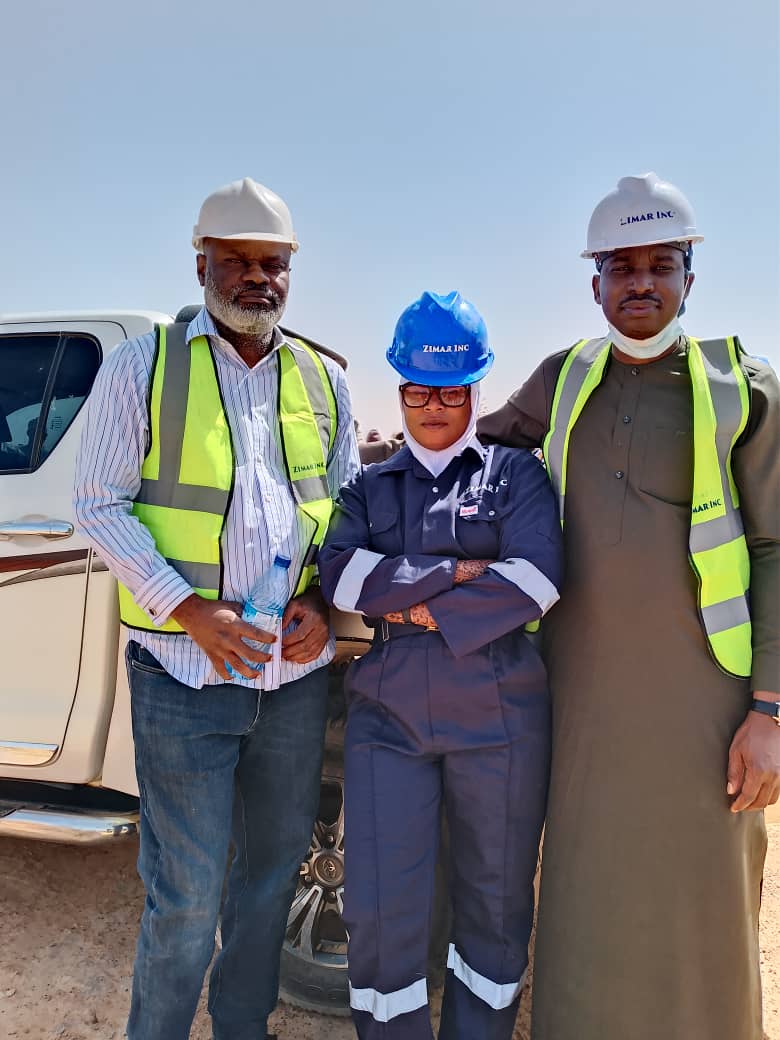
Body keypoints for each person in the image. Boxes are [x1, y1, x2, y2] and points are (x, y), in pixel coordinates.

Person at [478, 172, 780, 1040]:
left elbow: (774, 549)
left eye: (659, 264)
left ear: (690, 275)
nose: (640, 282)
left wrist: (768, 712)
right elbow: (475, 454)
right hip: (581, 701)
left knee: (703, 899)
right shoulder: (564, 378)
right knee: (586, 896)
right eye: (621, 266)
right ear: (595, 283)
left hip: (706, 705)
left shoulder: (742, 387)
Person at [73, 177, 358, 1040]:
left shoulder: (323, 380)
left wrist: (321, 596)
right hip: (183, 676)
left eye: (272, 262)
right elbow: (97, 505)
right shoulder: (145, 365)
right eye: (236, 260)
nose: (256, 277)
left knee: (269, 880)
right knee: (188, 896)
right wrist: (190, 611)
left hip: (292, 682)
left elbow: (349, 513)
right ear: (201, 264)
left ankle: (243, 1028)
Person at [319, 290, 563, 1039]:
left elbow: (536, 580)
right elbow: (343, 579)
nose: (433, 407)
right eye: (419, 390)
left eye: (451, 392)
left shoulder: (516, 476)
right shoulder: (368, 485)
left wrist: (404, 594)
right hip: (388, 719)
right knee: (380, 904)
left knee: (495, 903)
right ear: (400, 388)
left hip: (500, 718)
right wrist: (458, 575)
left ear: (474, 389)